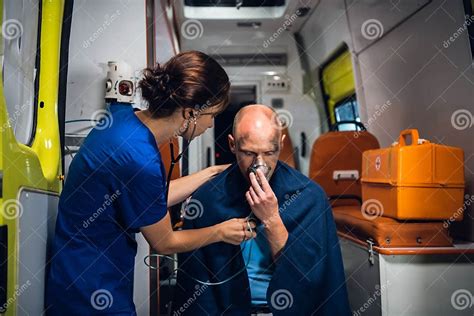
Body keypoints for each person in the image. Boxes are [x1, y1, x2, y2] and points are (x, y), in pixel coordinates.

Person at [45, 51, 256, 315]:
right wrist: (221, 231)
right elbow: (165, 242)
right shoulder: (139, 158)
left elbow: (148, 198)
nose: (211, 124)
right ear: (190, 112)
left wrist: (212, 172)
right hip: (91, 288)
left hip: (73, 271)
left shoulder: (123, 118)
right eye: (211, 115)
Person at [173, 104, 350, 315]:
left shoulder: (309, 196)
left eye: (269, 153)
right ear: (232, 145)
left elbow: (313, 280)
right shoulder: (207, 198)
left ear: (281, 145)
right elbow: (198, 288)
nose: (259, 165)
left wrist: (272, 218)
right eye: (248, 153)